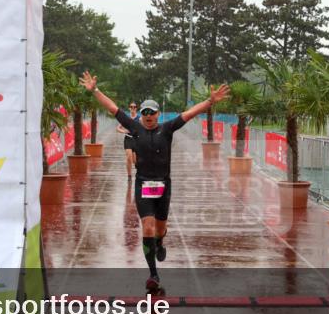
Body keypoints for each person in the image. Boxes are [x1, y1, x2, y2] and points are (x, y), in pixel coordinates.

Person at [80, 72, 229, 292]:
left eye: (152, 112)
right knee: (147, 228)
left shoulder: (167, 129)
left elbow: (189, 114)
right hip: (143, 185)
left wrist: (210, 101)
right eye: (144, 112)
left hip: (164, 186)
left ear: (158, 114)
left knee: (160, 229)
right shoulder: (134, 128)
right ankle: (153, 274)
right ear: (140, 115)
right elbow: (113, 109)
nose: (148, 116)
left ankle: (160, 243)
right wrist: (94, 90)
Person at [116, 102, 140, 178]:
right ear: (129, 108)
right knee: (129, 158)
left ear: (136, 108)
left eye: (134, 107)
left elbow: (144, 127)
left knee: (135, 161)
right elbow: (118, 128)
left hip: (136, 140)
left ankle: (139, 171)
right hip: (128, 139)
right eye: (131, 107)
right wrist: (124, 131)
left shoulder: (139, 118)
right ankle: (129, 176)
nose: (133, 108)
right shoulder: (126, 118)